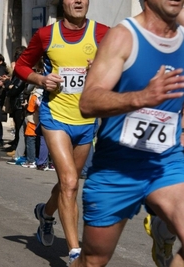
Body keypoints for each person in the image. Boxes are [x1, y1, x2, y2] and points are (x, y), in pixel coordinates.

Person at [70, 0, 184, 266]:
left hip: (165, 162)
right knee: (93, 260)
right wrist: (142, 97)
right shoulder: (124, 36)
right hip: (117, 168)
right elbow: (88, 102)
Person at [14, 0, 109, 264]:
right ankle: (75, 252)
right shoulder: (46, 34)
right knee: (68, 184)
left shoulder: (104, 33)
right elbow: (21, 66)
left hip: (86, 119)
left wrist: (101, 69)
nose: (78, 1)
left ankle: (45, 213)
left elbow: (123, 68)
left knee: (69, 183)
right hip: (55, 116)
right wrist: (41, 80)